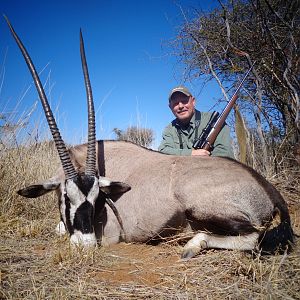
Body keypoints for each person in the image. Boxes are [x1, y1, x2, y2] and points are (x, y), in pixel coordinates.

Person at [158, 86, 235, 158]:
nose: (180, 106)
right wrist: (191, 153)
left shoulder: (215, 121)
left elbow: (224, 153)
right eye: (175, 103)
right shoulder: (170, 129)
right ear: (170, 107)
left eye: (184, 101)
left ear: (193, 101)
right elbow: (163, 150)